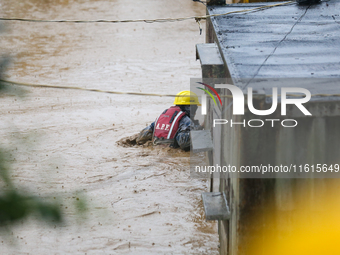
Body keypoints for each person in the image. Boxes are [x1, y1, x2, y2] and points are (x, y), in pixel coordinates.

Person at [136, 91, 203, 151]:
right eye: (195, 107)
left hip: (155, 149)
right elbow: (183, 143)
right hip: (170, 153)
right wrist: (197, 130)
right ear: (190, 107)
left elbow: (141, 137)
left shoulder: (163, 116)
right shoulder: (185, 120)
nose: (195, 111)